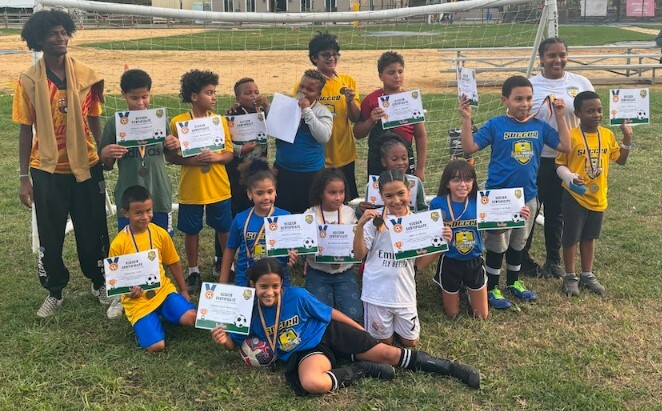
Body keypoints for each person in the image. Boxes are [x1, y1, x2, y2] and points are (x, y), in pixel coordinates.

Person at [211, 257, 480, 396]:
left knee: (389, 353)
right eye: (263, 286)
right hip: (306, 352)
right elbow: (234, 343)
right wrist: (223, 339)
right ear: (252, 286)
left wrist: (361, 331)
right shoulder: (247, 311)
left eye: (274, 286)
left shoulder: (297, 297)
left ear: (282, 284)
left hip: (328, 332)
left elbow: (330, 313)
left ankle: (451, 368)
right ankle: (361, 369)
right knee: (312, 383)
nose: (269, 292)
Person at [13, 9, 111, 317]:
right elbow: (24, 128)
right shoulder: (28, 81)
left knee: (93, 227)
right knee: (51, 231)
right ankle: (54, 291)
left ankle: (99, 282)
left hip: (86, 163)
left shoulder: (86, 74)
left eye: (64, 32)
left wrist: (103, 149)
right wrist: (23, 176)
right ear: (39, 38)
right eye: (54, 33)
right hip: (47, 168)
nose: (61, 37)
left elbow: (94, 116)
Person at [459, 75, 570, 309]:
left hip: (527, 197)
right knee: (497, 245)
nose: (525, 103)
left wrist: (560, 117)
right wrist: (467, 119)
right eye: (518, 99)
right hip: (499, 199)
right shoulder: (496, 124)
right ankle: (492, 287)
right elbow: (469, 147)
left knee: (518, 243)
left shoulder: (539, 126)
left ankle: (514, 283)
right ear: (505, 100)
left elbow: (565, 146)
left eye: (529, 98)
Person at [99, 69, 181, 319]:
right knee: (129, 247)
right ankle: (122, 295)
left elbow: (171, 157)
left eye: (145, 97)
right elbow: (104, 163)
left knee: (161, 243)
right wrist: (107, 153)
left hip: (159, 194)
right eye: (135, 98)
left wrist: (175, 145)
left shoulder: (159, 119)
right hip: (129, 196)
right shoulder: (115, 122)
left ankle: (163, 290)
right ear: (124, 95)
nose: (141, 103)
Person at [522, 37, 595, 279]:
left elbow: (591, 114)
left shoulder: (580, 82)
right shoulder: (531, 85)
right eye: (551, 55)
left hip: (568, 160)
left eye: (562, 54)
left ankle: (553, 260)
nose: (558, 60)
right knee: (532, 208)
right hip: (536, 158)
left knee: (558, 210)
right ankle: (523, 258)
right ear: (542, 58)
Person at [353, 170, 452, 346]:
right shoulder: (374, 220)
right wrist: (360, 226)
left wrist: (440, 245)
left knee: (410, 342)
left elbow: (420, 264)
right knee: (384, 342)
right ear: (382, 197)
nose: (396, 200)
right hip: (377, 293)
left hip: (403, 291)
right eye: (389, 195)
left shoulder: (418, 223)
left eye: (401, 193)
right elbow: (359, 254)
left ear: (409, 191)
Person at [555, 91, 633, 296]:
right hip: (575, 196)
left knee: (589, 237)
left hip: (598, 197)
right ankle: (570, 276)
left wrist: (627, 137)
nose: (596, 115)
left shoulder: (606, 135)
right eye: (590, 111)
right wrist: (570, 177)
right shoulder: (570, 136)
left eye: (599, 111)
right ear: (578, 113)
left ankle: (587, 274)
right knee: (571, 238)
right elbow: (559, 165)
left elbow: (621, 159)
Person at [166, 69, 234, 294]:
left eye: (215, 92)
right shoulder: (178, 123)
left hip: (218, 187)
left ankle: (227, 266)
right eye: (209, 92)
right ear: (195, 96)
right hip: (192, 189)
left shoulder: (219, 121)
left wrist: (215, 157)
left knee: (224, 228)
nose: (214, 96)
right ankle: (193, 270)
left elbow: (229, 154)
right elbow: (171, 157)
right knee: (191, 230)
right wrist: (190, 159)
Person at [109, 186, 196, 352]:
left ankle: (165, 311)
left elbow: (173, 263)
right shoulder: (118, 244)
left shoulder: (160, 234)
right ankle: (147, 324)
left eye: (148, 210)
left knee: (193, 318)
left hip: (163, 292)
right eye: (138, 213)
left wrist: (183, 291)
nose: (145, 217)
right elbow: (116, 281)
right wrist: (128, 293)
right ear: (125, 213)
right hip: (138, 301)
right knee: (156, 346)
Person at [212, 77, 270, 279]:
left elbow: (278, 125)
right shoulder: (231, 115)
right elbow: (222, 142)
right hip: (236, 174)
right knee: (232, 215)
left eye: (256, 91)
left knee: (259, 211)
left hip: (259, 171)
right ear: (237, 97)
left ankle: (258, 252)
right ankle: (221, 258)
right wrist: (240, 149)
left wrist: (268, 107)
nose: (253, 96)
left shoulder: (263, 112)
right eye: (247, 93)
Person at [302, 32, 361, 200]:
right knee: (319, 200)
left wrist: (350, 102)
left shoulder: (347, 81)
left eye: (335, 54)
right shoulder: (306, 84)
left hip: (344, 153)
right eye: (326, 54)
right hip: (317, 156)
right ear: (314, 58)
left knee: (344, 200)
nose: (331, 58)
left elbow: (355, 118)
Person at [219, 158, 294, 287]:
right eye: (260, 193)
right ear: (250, 194)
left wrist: (292, 256)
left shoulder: (285, 218)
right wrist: (222, 282)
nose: (266, 197)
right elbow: (230, 250)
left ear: (275, 192)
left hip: (277, 282)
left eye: (270, 192)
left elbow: (293, 248)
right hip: (246, 281)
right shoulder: (241, 219)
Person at [353, 51, 428, 181]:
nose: (397, 76)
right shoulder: (371, 100)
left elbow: (420, 135)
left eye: (400, 71)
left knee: (404, 196)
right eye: (391, 72)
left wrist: (420, 168)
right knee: (378, 196)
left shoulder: (411, 100)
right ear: (381, 76)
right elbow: (358, 133)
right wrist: (371, 120)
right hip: (378, 158)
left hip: (404, 158)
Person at [429, 159, 488, 319]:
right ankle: (444, 282)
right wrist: (440, 237)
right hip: (450, 261)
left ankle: (470, 290)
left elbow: (496, 231)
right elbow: (430, 237)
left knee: (481, 315)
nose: (462, 184)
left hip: (474, 260)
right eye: (456, 179)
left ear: (473, 182)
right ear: (447, 183)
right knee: (452, 314)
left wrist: (515, 219)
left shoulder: (480, 201)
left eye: (467, 179)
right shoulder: (437, 204)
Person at [304, 168, 362, 323]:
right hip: (318, 272)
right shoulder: (309, 215)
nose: (338, 197)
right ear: (320, 192)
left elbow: (358, 241)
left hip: (345, 272)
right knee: (319, 316)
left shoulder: (349, 213)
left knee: (354, 316)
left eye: (341, 192)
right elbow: (304, 246)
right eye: (332, 192)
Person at [275, 69, 333, 214]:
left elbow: (324, 136)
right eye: (302, 86)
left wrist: (307, 110)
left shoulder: (322, 112)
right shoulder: (287, 106)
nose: (304, 91)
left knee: (309, 215)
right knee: (284, 214)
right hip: (283, 170)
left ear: (318, 95)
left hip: (311, 174)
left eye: (310, 89)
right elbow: (273, 126)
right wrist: (266, 108)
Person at [356, 132, 427, 217]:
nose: (401, 163)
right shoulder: (373, 185)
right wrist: (360, 209)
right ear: (384, 162)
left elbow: (424, 210)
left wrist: (412, 218)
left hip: (410, 228)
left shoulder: (415, 182)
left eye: (404, 158)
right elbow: (367, 213)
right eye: (394, 159)